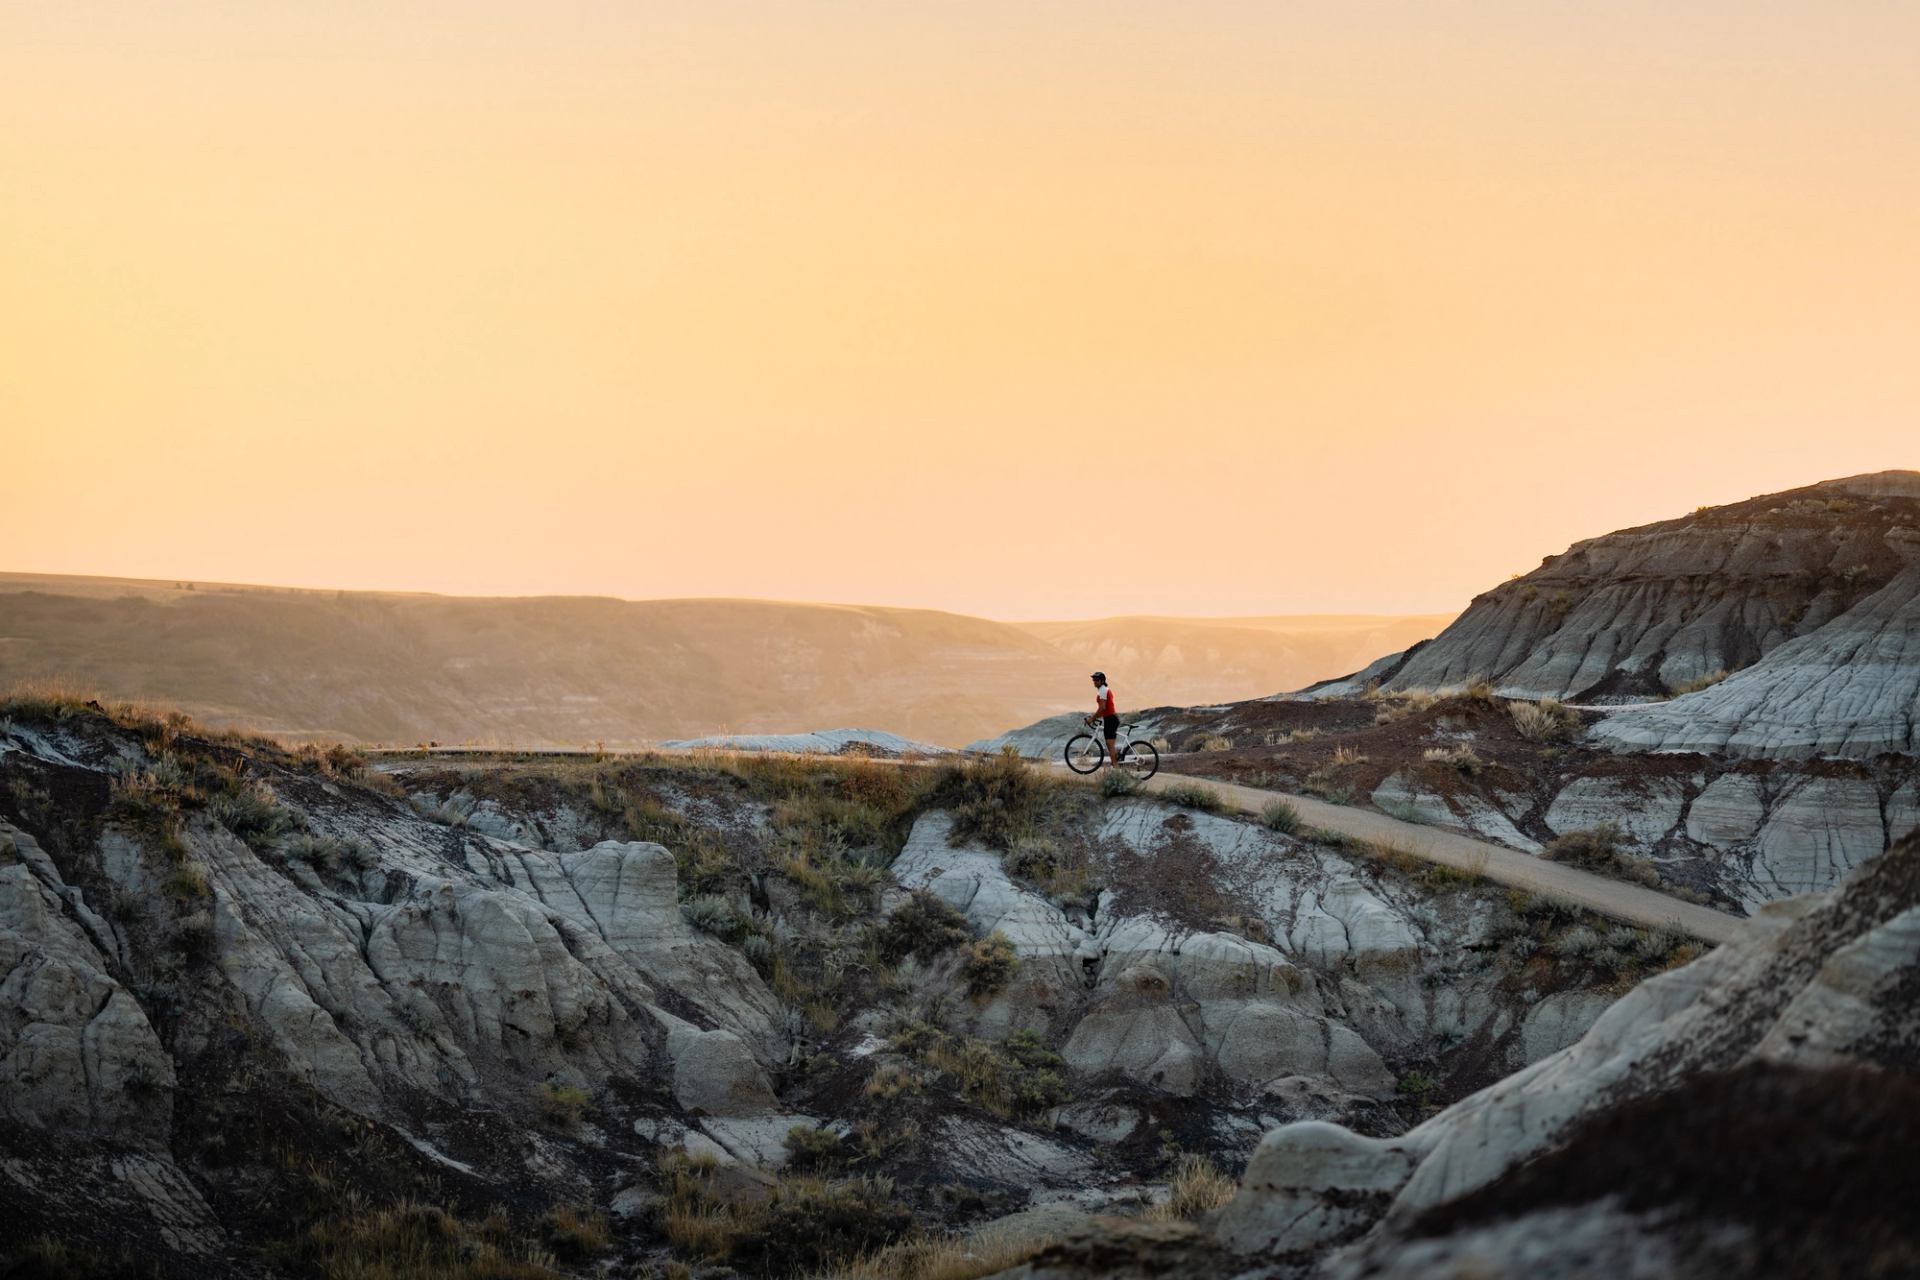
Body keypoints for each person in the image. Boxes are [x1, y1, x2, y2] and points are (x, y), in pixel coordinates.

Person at [1085, 671, 1120, 766]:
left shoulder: (1103, 690)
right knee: (1109, 744)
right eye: (1094, 680)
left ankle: (1116, 767)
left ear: (1102, 681)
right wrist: (1094, 716)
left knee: (1110, 744)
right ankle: (1115, 764)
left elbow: (1102, 708)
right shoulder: (1102, 690)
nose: (1094, 682)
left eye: (1097, 680)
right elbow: (1104, 709)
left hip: (1111, 719)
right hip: (1109, 718)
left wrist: (1092, 719)